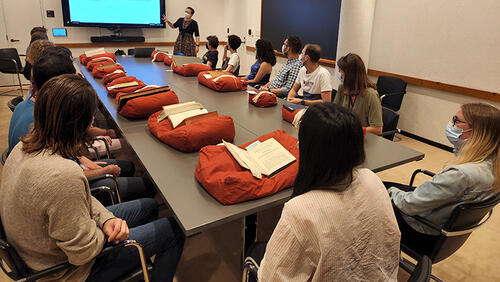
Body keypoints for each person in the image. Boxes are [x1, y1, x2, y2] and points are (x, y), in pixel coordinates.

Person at [0, 74, 184, 281]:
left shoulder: (22, 147)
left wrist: (106, 219)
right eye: (90, 116)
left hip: (42, 249)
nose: (93, 120)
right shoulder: (62, 175)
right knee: (174, 231)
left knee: (149, 206)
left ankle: (141, 269)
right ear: (79, 124)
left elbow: (80, 199)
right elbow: (83, 254)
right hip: (68, 272)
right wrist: (105, 232)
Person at [256, 103, 400, 281]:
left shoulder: (300, 211)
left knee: (258, 251)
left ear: (309, 150)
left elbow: (270, 278)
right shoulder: (372, 178)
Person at [8, 52, 154, 204]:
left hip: (69, 171)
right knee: (146, 191)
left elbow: (64, 150)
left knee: (128, 166)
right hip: (66, 192)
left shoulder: (36, 108)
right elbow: (64, 175)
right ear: (58, 83)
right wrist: (100, 170)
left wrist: (82, 159)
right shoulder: (42, 118)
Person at [385, 103, 499, 245]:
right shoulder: (493, 166)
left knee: (373, 190)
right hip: (445, 230)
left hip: (420, 231)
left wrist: (388, 192)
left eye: (456, 120)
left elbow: (408, 205)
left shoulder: (461, 174)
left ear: (476, 132)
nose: (451, 124)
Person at [333, 53, 383, 135]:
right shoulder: (342, 88)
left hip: (362, 139)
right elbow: (334, 112)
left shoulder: (371, 95)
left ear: (350, 74)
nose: (339, 74)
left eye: (341, 71)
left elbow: (377, 129)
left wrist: (356, 130)